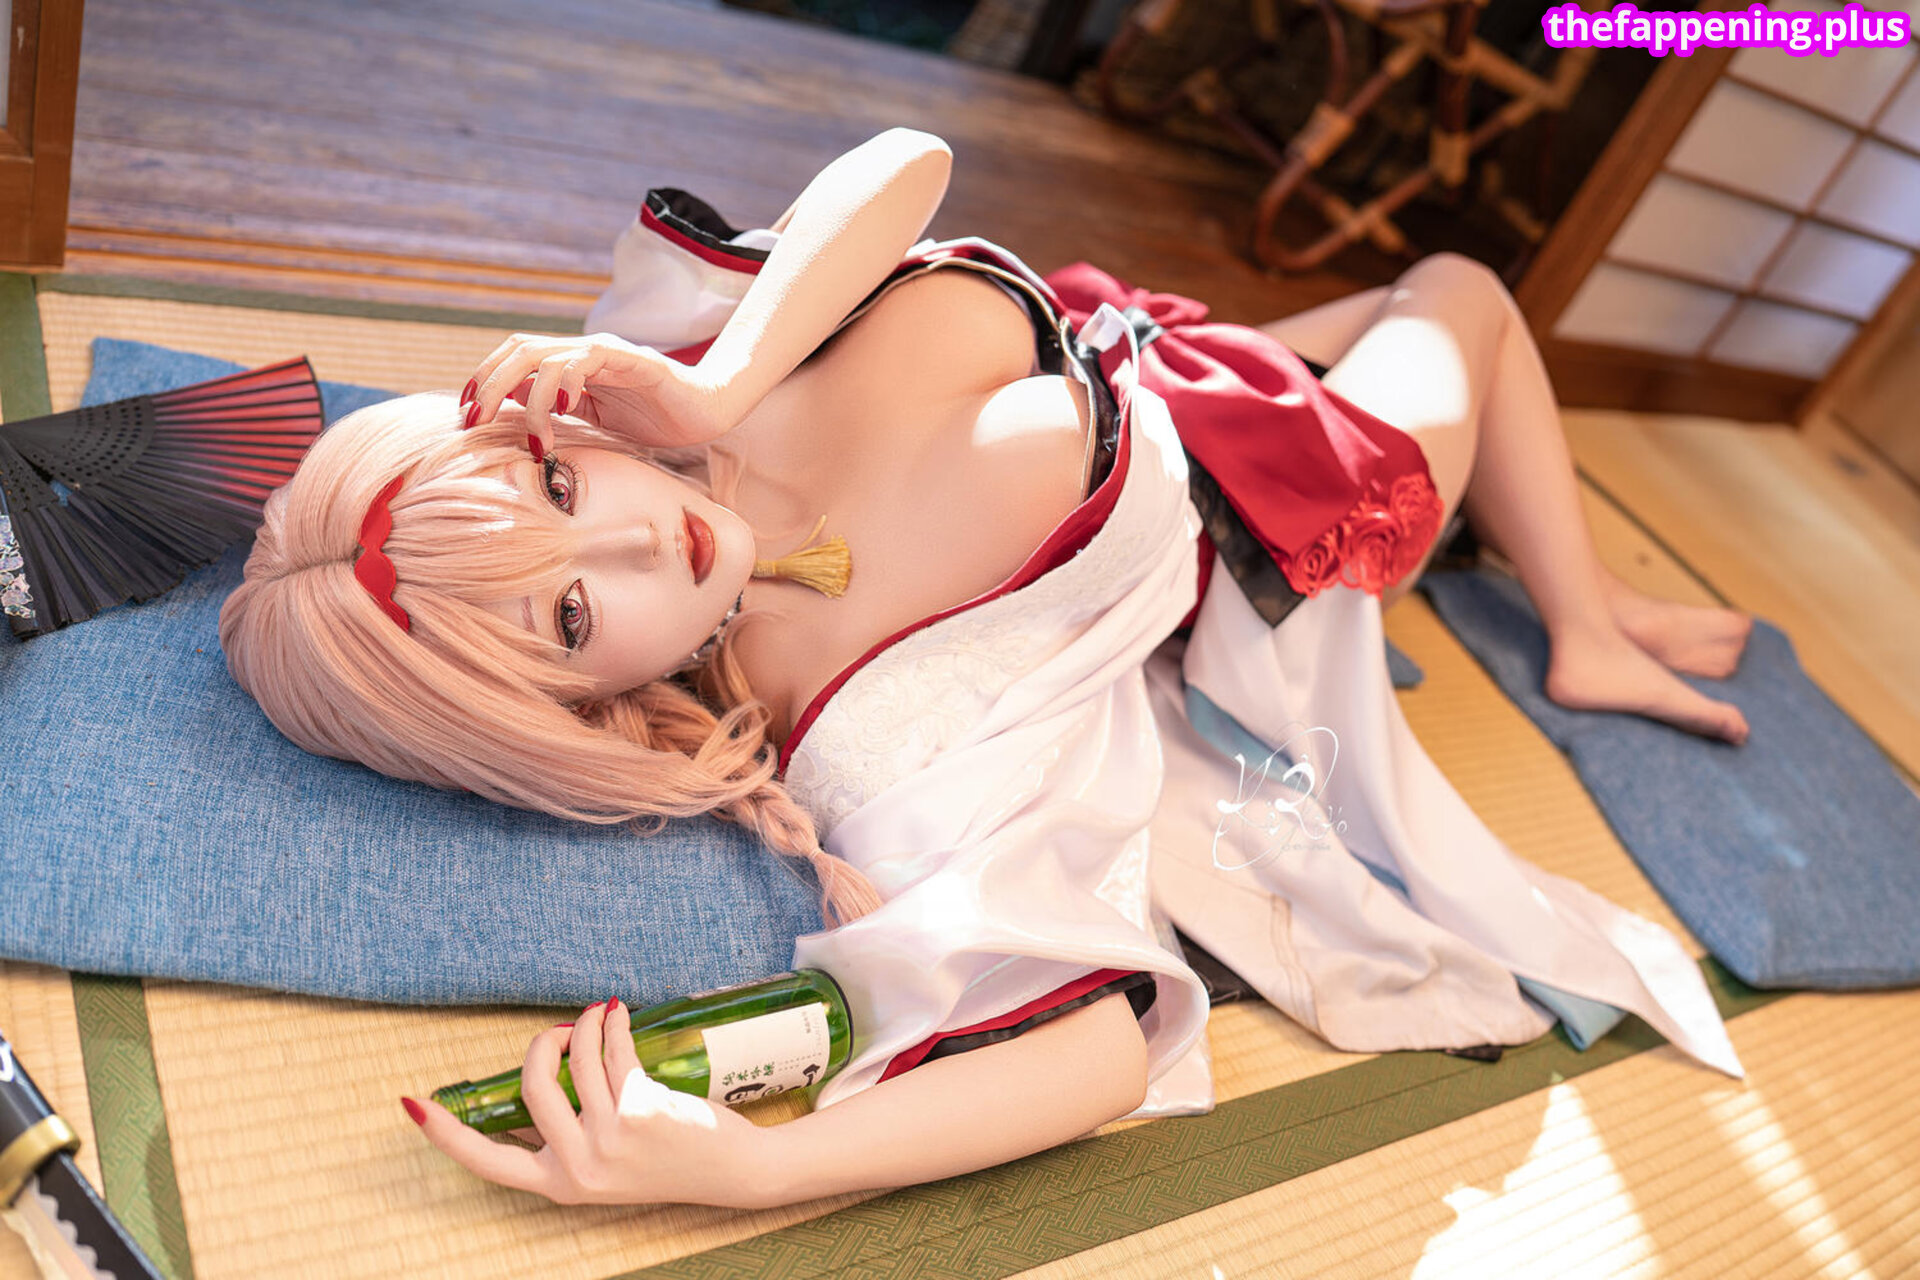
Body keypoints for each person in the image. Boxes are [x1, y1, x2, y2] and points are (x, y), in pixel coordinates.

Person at [219, 128, 1754, 1210]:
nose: (637, 541)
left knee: (1413, 303)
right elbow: (1093, 1054)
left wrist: (722, 384)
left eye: (558, 488)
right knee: (1462, 291)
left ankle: (1589, 606)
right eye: (569, 619)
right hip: (1284, 502)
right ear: (565, 711)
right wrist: (756, 1169)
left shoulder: (660, 384)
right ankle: (1587, 631)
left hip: (1137, 346)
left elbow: (910, 163)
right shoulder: (873, 729)